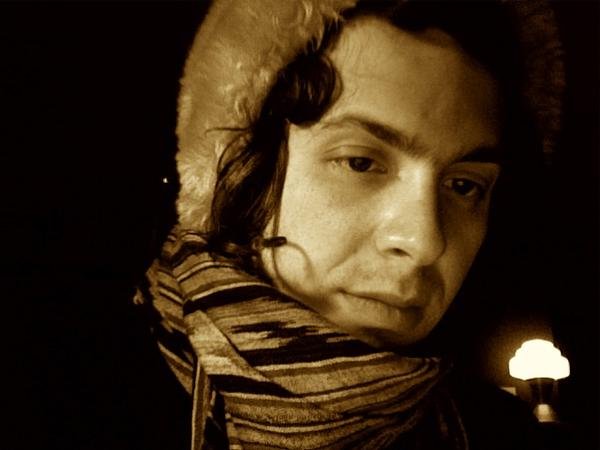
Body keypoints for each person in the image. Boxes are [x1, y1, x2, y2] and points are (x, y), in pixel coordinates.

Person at [135, 0, 564, 448]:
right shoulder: (92, 387)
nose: (425, 241)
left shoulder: (505, 435)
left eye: (463, 186)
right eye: (360, 162)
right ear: (236, 167)